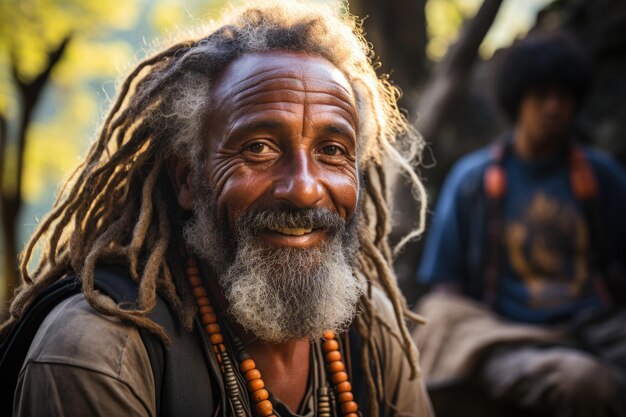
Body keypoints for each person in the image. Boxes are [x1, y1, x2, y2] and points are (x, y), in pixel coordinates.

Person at [0, 1, 434, 416]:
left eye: (333, 150)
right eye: (258, 147)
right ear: (187, 178)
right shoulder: (97, 352)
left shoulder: (370, 331)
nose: (304, 188)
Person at [414, 32, 626, 417]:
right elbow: (444, 283)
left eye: (564, 96)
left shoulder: (601, 176)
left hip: (596, 329)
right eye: (541, 95)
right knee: (581, 381)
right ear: (517, 98)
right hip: (506, 337)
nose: (554, 107)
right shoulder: (473, 181)